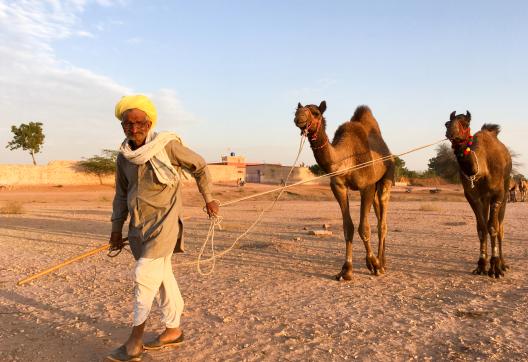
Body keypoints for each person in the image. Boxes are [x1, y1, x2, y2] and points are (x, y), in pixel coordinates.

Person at [107, 95, 219, 361]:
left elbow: (200, 167)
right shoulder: (124, 157)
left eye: (139, 122)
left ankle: (135, 342)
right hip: (138, 229)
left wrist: (209, 198)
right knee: (162, 279)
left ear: (149, 122)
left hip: (164, 225)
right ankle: (173, 330)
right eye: (127, 123)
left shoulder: (166, 146)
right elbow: (121, 195)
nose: (134, 128)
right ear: (122, 126)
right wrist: (115, 229)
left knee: (144, 276)